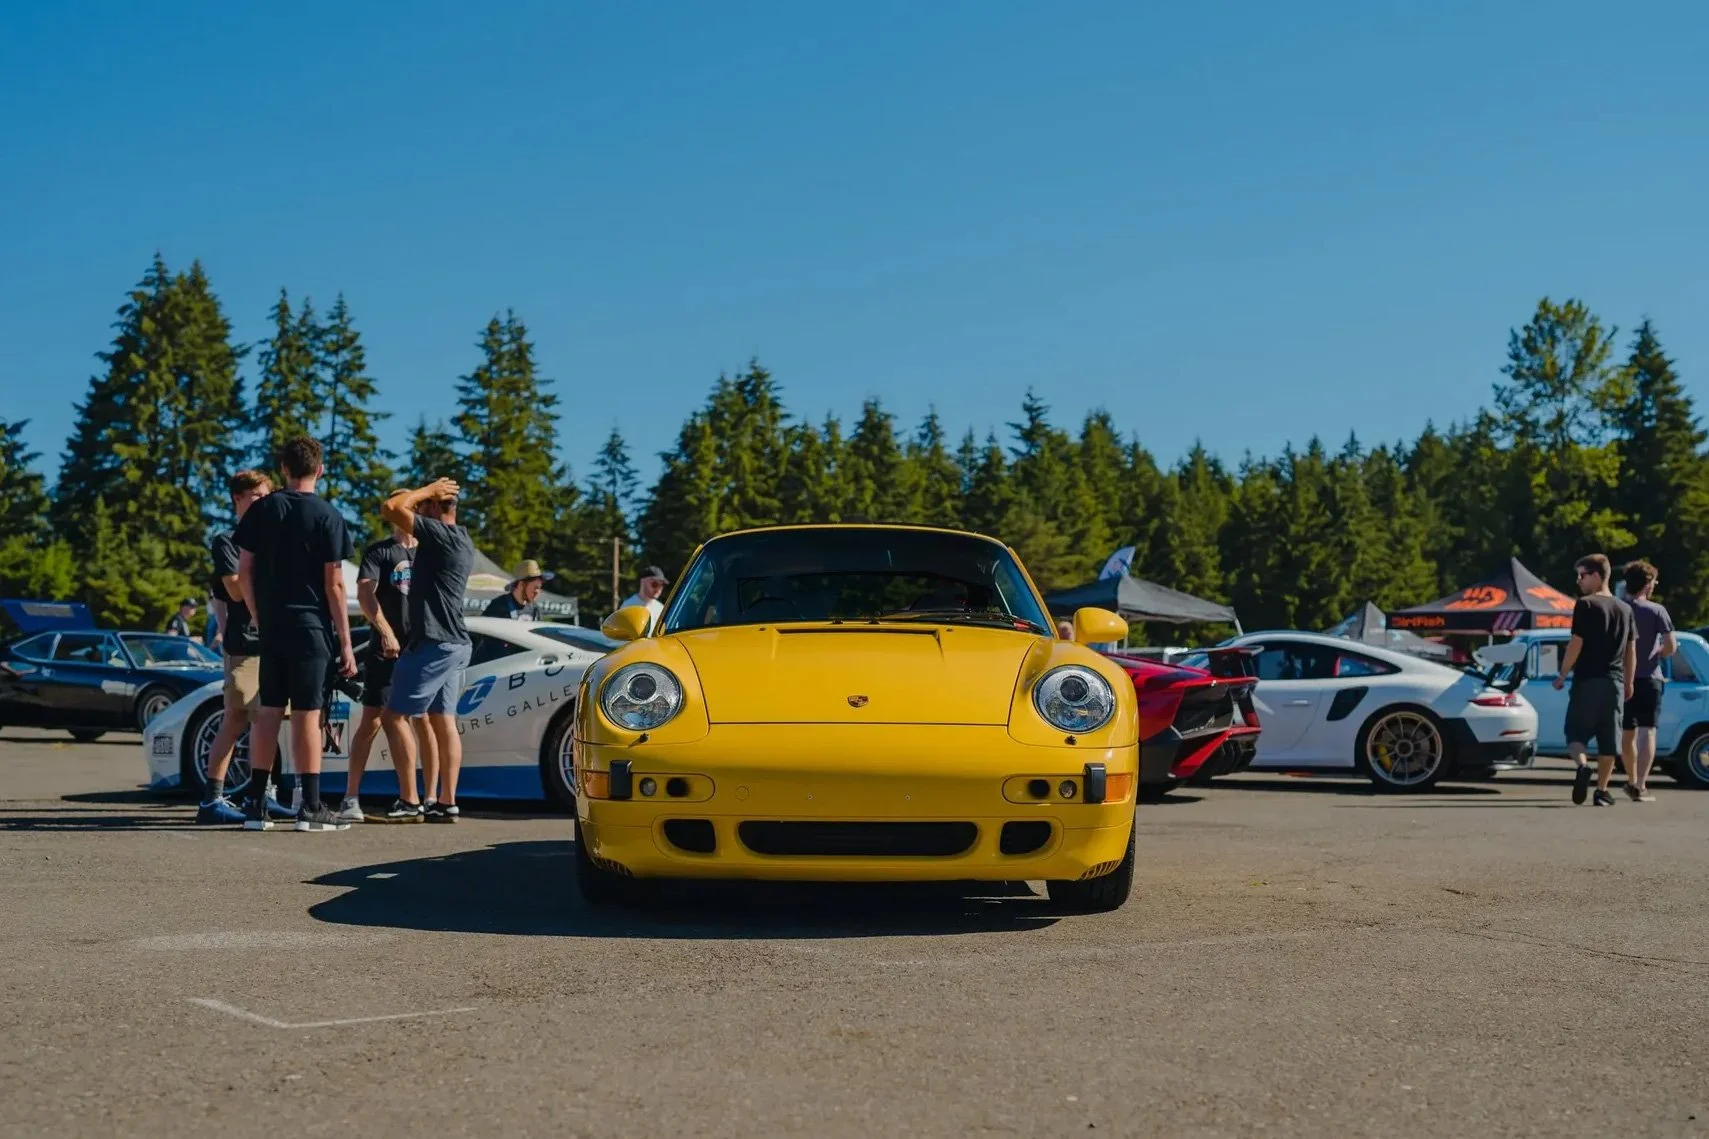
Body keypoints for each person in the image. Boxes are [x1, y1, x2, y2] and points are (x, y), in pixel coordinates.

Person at [234, 436, 358, 833]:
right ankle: (311, 805)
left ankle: (256, 802)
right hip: (311, 626)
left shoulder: (263, 510)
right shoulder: (328, 515)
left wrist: (257, 614)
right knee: (307, 713)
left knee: (269, 710)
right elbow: (334, 583)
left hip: (272, 625)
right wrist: (346, 640)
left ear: (284, 469)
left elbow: (245, 570)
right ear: (319, 470)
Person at [379, 478, 475, 823]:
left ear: (435, 508)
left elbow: (390, 508)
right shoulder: (462, 537)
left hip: (434, 643)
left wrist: (427, 489)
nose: (416, 510)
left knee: (393, 717)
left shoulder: (439, 534)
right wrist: (429, 496)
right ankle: (446, 802)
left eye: (423, 506)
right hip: (455, 643)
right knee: (442, 720)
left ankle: (410, 800)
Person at [198, 471, 288, 825]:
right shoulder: (227, 541)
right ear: (238, 499)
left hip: (271, 644)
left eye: (267, 496)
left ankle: (264, 795)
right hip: (245, 645)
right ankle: (212, 800)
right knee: (236, 720)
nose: (263, 503)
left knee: (267, 724)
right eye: (256, 496)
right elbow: (234, 590)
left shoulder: (271, 542)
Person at [340, 513, 439, 823]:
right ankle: (350, 797)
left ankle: (430, 798)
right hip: (386, 651)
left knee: (423, 719)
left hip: (420, 648)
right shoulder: (380, 551)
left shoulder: (429, 552)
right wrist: (385, 631)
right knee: (372, 720)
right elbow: (365, 593)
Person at [1552, 553, 1636, 807]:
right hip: (1615, 682)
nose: (1579, 581)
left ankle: (1582, 766)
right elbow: (1631, 650)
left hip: (1587, 679)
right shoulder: (1625, 608)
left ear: (1597, 576)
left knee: (1575, 735)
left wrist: (1563, 672)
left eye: (1582, 575)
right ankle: (1602, 790)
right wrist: (1629, 681)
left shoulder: (1585, 605)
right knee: (1609, 739)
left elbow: (1577, 642)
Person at [1620, 559, 1677, 802]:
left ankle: (1631, 779)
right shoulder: (1657, 611)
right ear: (1647, 584)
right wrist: (1658, 652)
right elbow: (1671, 646)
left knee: (1627, 733)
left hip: (1624, 678)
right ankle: (1641, 785)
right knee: (1648, 732)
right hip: (1650, 678)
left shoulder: (1620, 609)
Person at [484, 560, 553, 621]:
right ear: (521, 585)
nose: (537, 592)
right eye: (535, 588)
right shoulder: (498, 605)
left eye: (539, 588)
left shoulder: (535, 609)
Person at [617, 565, 670, 634]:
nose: (658, 589)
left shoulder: (661, 608)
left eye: (661, 585)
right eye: (654, 584)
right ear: (642, 581)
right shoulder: (628, 606)